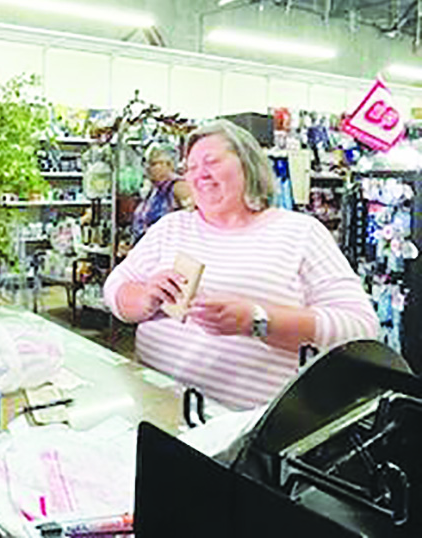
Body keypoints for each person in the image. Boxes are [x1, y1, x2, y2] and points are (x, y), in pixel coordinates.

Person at [103, 119, 378, 410]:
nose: (199, 175)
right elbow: (116, 288)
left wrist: (259, 321)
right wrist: (145, 297)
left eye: (211, 162)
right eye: (191, 167)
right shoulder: (171, 228)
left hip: (246, 428)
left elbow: (360, 328)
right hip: (158, 407)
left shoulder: (301, 233)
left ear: (248, 165)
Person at [130, 142, 193, 241]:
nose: (152, 168)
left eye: (156, 163)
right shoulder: (154, 189)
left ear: (170, 165)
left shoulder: (177, 186)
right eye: (150, 164)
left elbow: (192, 219)